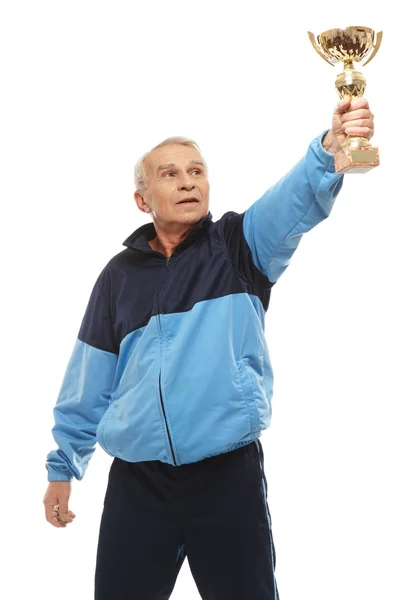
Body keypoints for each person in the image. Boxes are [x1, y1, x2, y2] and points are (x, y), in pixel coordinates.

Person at [43, 97, 374, 599]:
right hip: (139, 483)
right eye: (170, 173)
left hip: (227, 478)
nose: (187, 181)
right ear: (142, 199)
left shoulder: (239, 247)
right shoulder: (118, 277)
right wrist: (64, 466)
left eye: (196, 170)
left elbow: (293, 200)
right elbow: (89, 378)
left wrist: (331, 147)